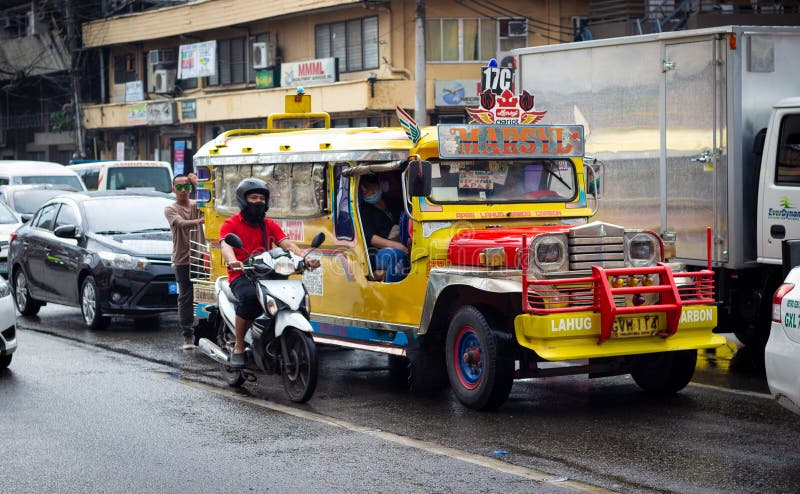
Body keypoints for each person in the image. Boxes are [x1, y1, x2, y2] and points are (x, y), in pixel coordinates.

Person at [220, 178, 320, 368]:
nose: (258, 201)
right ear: (243, 199)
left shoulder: (269, 224)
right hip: (242, 275)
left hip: (268, 274)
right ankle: (239, 346)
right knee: (250, 299)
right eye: (253, 197)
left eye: (262, 198)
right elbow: (226, 245)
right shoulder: (230, 224)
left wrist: (304, 259)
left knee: (291, 297)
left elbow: (287, 244)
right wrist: (233, 261)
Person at [164, 173, 206, 350]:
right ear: (173, 189)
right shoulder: (170, 209)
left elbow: (213, 202)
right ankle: (188, 335)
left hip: (202, 257)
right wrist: (201, 221)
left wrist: (197, 182)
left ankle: (206, 332)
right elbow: (181, 224)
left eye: (186, 186)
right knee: (186, 297)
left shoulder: (198, 205)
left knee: (206, 295)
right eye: (179, 187)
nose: (183, 190)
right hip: (182, 259)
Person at [359, 174, 408, 282]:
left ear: (379, 185)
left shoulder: (394, 202)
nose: (365, 190)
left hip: (403, 242)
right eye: (362, 189)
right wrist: (396, 245)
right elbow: (370, 238)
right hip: (377, 251)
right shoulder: (363, 211)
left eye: (368, 186)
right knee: (396, 256)